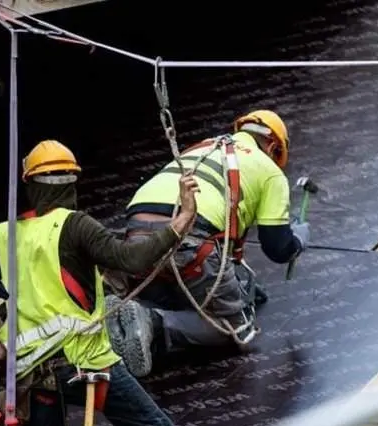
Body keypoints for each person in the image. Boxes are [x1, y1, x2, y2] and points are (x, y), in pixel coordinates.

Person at [0, 139, 201, 426]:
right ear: (73, 183)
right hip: (84, 365)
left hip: (36, 372)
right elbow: (132, 259)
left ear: (30, 185)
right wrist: (182, 220)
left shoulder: (6, 235)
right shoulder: (75, 225)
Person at [114, 109, 310, 377]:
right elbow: (277, 247)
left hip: (136, 234)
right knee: (236, 327)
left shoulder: (203, 148)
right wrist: (298, 239)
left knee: (175, 293)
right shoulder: (270, 172)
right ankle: (153, 324)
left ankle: (125, 320)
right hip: (190, 240)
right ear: (274, 147)